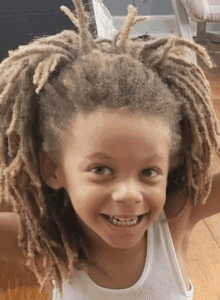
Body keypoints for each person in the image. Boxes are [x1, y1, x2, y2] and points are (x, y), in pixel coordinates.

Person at [0, 0, 220, 299]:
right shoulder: (43, 243)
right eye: (101, 169)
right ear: (53, 170)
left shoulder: (175, 220)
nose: (129, 193)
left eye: (149, 172)